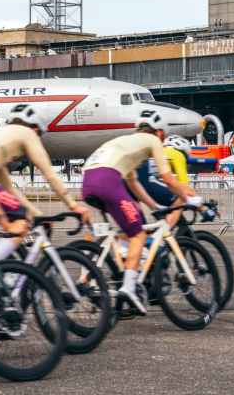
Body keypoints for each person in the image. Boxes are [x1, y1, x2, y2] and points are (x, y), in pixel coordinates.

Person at [0, 103, 91, 262]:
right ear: (35, 128)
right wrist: (73, 205)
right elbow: (50, 175)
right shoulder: (27, 133)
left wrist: (37, 215)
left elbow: (8, 189)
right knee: (21, 224)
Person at [81, 109, 190, 314]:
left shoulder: (126, 143)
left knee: (128, 227)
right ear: (159, 133)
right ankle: (129, 287)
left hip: (88, 183)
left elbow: (133, 182)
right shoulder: (154, 141)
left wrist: (155, 207)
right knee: (138, 233)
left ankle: (91, 277)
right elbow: (168, 178)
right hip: (107, 180)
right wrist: (190, 198)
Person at [134, 134, 212, 230]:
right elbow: (185, 187)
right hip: (144, 179)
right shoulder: (178, 154)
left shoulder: (161, 151)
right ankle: (165, 234)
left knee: (138, 230)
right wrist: (203, 207)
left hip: (132, 179)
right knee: (180, 199)